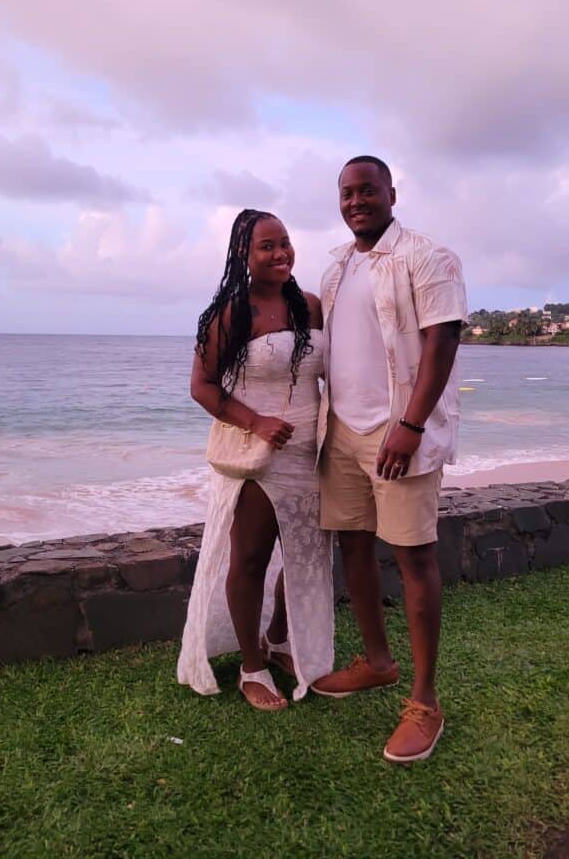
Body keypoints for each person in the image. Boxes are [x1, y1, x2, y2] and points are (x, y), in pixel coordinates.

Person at [311, 156, 465, 763]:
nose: (356, 201)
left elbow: (442, 341)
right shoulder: (336, 269)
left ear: (391, 194)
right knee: (353, 547)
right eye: (347, 193)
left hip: (399, 431)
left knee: (413, 558)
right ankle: (378, 663)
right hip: (341, 431)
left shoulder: (428, 257)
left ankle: (426, 702)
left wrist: (410, 425)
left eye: (367, 190)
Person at [177, 209, 334, 711]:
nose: (281, 253)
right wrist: (256, 422)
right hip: (259, 457)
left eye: (285, 242)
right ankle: (252, 665)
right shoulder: (231, 313)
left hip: (313, 450)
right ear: (243, 255)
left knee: (307, 553)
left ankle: (281, 637)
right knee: (250, 559)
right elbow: (202, 386)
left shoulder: (310, 306)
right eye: (267, 246)